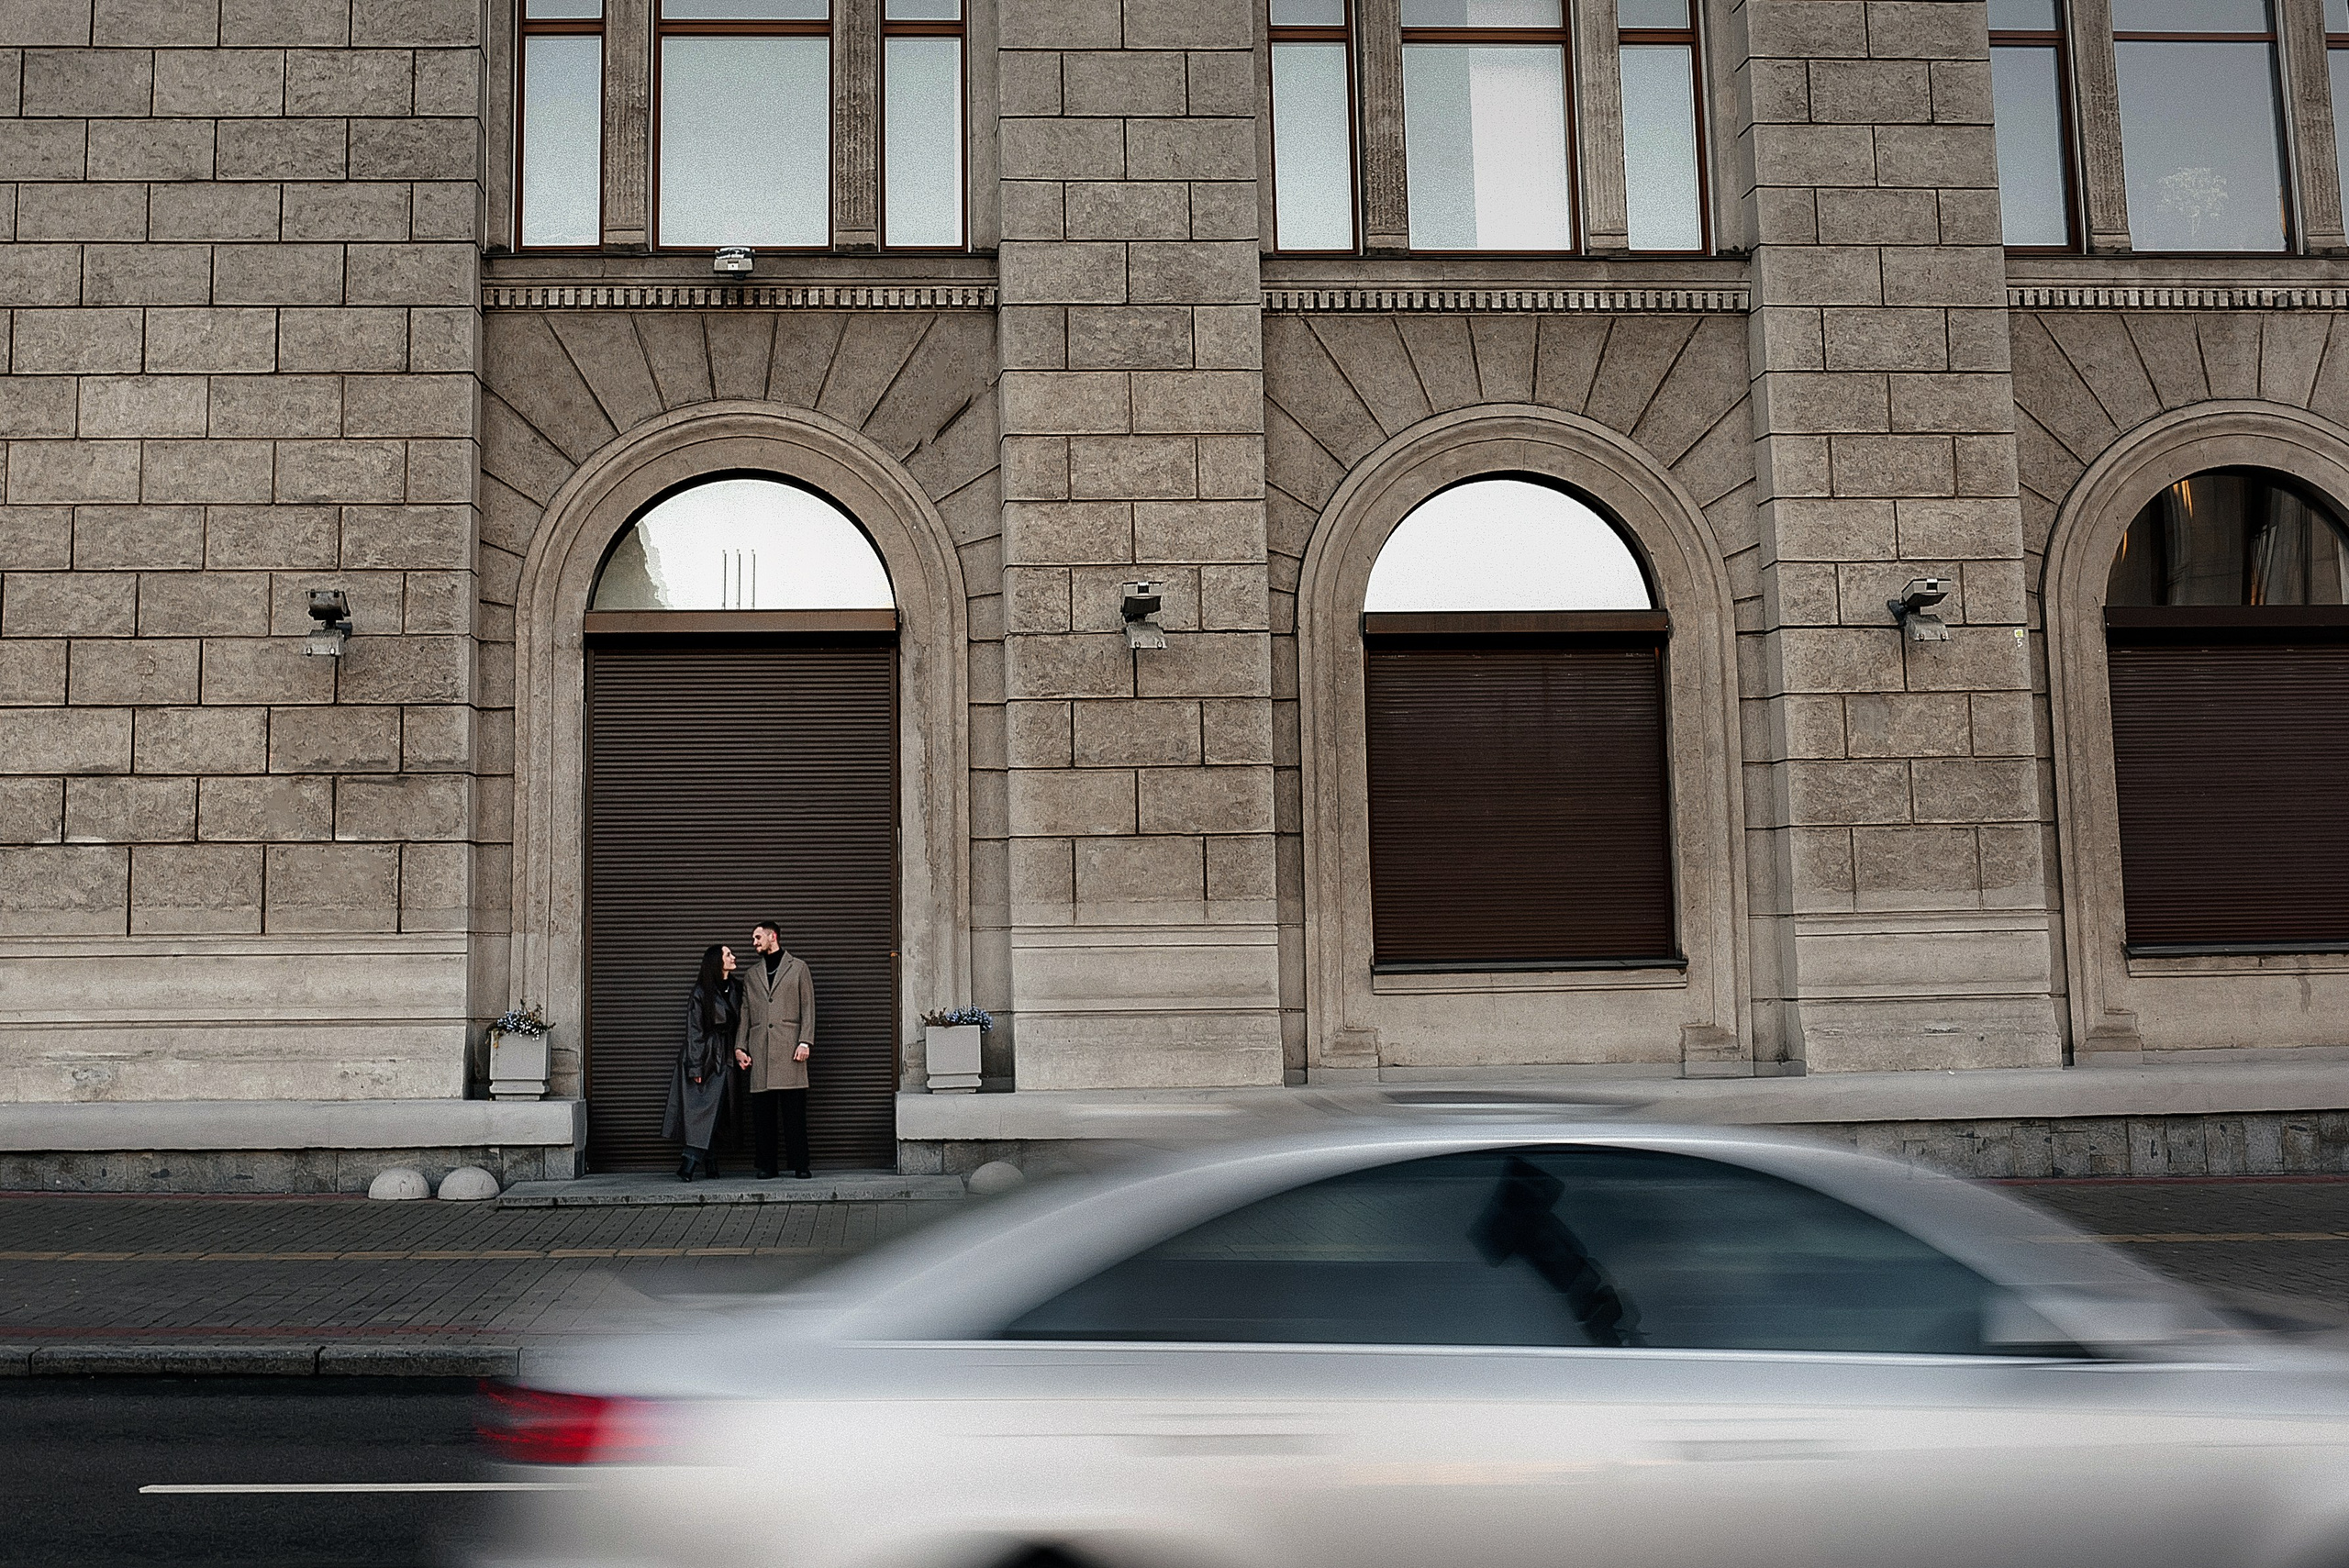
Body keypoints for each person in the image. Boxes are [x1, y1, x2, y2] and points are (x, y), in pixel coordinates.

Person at [736, 919, 815, 1179]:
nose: (754, 942)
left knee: (794, 1114)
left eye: (758, 937)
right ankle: (767, 1165)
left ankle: (801, 1165)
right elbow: (745, 1013)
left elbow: (808, 1007)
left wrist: (805, 1041)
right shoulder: (750, 974)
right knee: (763, 1115)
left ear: (773, 936)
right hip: (760, 1050)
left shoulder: (798, 967)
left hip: (790, 1048)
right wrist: (740, 1047)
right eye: (754, 938)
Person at [662, 943, 740, 1182]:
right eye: (728, 954)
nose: (733, 957)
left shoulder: (737, 988)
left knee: (717, 1110)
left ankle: (711, 1163)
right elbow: (694, 1031)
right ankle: (689, 1162)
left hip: (726, 1055)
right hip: (705, 1057)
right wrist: (695, 1067)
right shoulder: (700, 992)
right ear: (717, 962)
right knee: (706, 1111)